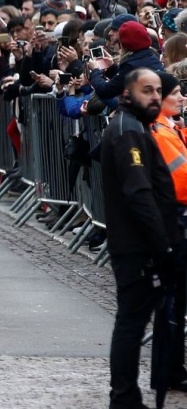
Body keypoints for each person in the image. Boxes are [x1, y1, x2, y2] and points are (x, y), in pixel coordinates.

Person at [101, 68, 181, 408]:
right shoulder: (128, 131)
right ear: (128, 93)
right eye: (146, 90)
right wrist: (161, 245)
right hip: (137, 246)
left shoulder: (134, 126)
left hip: (140, 243)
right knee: (132, 321)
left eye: (157, 90)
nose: (153, 96)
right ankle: (124, 397)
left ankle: (127, 394)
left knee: (134, 320)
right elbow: (139, 193)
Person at [148, 71, 187, 393]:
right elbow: (181, 180)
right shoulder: (161, 132)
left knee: (175, 301)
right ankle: (170, 371)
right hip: (176, 219)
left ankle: (172, 368)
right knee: (173, 301)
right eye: (177, 93)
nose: (182, 98)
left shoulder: (171, 128)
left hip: (176, 218)